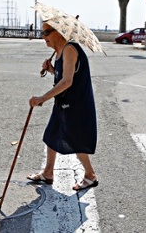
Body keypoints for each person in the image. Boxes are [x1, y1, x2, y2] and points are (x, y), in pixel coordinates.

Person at [27, 22, 98, 191]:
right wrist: (52, 70)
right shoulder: (60, 51)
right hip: (63, 103)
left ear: (57, 32)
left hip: (75, 105)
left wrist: (42, 98)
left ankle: (90, 175)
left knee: (76, 140)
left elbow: (67, 81)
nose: (43, 37)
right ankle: (48, 172)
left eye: (45, 33)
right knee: (52, 134)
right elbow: (63, 75)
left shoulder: (69, 49)